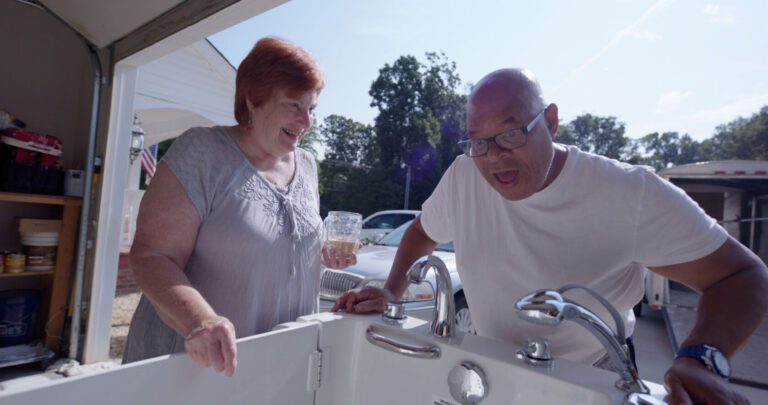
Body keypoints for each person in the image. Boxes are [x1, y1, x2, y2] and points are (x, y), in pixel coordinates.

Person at [334, 68, 768, 404]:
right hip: (491, 366)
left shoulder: (627, 192)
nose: (493, 158)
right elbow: (421, 233)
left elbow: (742, 276)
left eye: (510, 133)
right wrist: (391, 291)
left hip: (592, 376)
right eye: (478, 142)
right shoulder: (464, 176)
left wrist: (702, 358)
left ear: (552, 121)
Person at [124, 37, 357, 377]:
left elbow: (275, 245)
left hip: (275, 369)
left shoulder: (307, 165)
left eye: (312, 108)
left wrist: (321, 254)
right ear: (254, 98)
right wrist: (199, 320)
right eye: (294, 105)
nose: (306, 121)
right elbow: (151, 256)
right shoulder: (203, 152)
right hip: (194, 368)